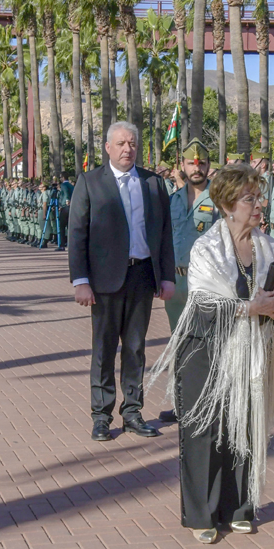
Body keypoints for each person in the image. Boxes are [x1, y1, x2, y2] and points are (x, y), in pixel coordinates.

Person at [148, 163, 274, 544]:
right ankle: (202, 514)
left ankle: (240, 507)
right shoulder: (206, 248)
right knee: (204, 431)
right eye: (250, 198)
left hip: (250, 352)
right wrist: (251, 308)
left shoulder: (270, 245)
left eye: (259, 197)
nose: (258, 205)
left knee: (244, 422)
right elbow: (204, 305)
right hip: (205, 350)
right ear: (228, 205)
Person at [67, 121, 176, 442]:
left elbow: (165, 234)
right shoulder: (90, 183)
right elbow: (77, 235)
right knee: (103, 350)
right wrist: (80, 281)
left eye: (132, 143)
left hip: (142, 276)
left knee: (135, 349)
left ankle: (132, 412)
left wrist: (166, 276)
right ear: (108, 148)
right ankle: (101, 416)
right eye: (121, 143)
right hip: (103, 281)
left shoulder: (153, 183)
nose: (128, 149)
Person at [159, 139, 219, 425]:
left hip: (204, 282)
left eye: (202, 163)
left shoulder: (219, 199)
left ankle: (206, 403)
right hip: (176, 283)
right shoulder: (173, 199)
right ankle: (182, 403)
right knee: (179, 342)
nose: (197, 168)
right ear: (181, 166)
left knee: (206, 343)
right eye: (191, 163)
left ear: (208, 166)